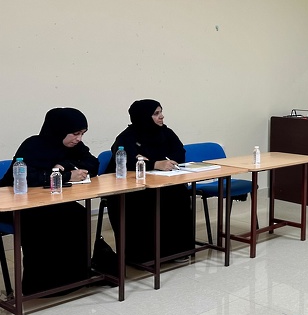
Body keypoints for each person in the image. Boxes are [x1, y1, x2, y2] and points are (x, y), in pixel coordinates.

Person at [0, 108, 98, 295]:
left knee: (78, 214)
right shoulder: (33, 145)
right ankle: (40, 286)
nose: (79, 139)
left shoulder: (75, 147)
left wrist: (64, 166)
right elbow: (25, 177)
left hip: (53, 201)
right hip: (20, 204)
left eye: (82, 134)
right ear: (60, 130)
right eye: (75, 133)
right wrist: (66, 175)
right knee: (46, 221)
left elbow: (93, 164)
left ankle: (76, 279)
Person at [105, 99, 194, 264]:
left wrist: (161, 161)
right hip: (134, 187)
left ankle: (177, 251)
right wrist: (155, 164)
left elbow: (179, 152)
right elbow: (127, 162)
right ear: (144, 116)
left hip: (164, 182)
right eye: (156, 113)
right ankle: (144, 256)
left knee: (179, 194)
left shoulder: (166, 132)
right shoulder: (126, 137)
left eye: (161, 112)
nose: (162, 116)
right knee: (145, 199)